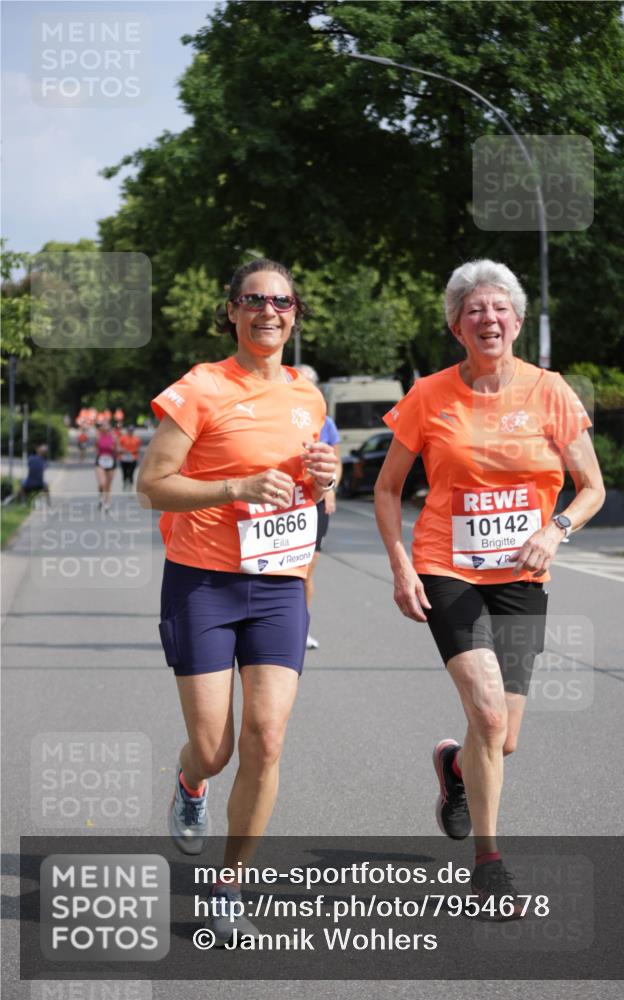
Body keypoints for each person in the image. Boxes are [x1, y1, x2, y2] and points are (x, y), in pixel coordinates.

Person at [374, 260, 605, 919]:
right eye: (474, 310)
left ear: (517, 320)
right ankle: (488, 862)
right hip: (448, 566)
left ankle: (453, 768)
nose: (488, 319)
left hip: (523, 576)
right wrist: (400, 564)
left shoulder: (550, 391)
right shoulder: (428, 395)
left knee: (500, 740)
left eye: (499, 308)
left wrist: (555, 529)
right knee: (488, 714)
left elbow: (591, 488)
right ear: (455, 326)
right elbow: (388, 489)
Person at [137, 258, 337, 945]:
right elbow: (152, 484)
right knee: (215, 748)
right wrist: (235, 489)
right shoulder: (200, 388)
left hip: (279, 584)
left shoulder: (308, 397)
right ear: (231, 310)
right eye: (253, 299)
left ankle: (229, 886)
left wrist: (325, 475)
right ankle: (191, 784)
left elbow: (309, 489)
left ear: (294, 314)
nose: (268, 311)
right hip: (202, 580)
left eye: (281, 301)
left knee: (267, 737)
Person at [295, 365, 343, 649]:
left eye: (310, 383)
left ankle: (301, 629)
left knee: (306, 570)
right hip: (285, 501)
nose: (306, 387)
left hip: (317, 499)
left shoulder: (325, 420)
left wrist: (331, 489)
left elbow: (335, 461)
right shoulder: (276, 412)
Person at [95, 420, 118, 512]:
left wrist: (114, 449)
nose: (105, 429)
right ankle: (101, 498)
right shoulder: (98, 436)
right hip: (100, 461)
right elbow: (96, 447)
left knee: (108, 485)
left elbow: (117, 450)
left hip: (111, 461)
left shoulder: (114, 437)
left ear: (109, 428)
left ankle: (107, 503)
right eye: (103, 427)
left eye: (106, 427)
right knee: (102, 484)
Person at [118, 424, 142, 490]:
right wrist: (122, 450)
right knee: (124, 472)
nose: (130, 431)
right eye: (129, 430)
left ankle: (130, 486)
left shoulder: (137, 439)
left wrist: (134, 451)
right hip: (124, 458)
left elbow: (138, 448)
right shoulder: (123, 438)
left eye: (132, 430)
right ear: (127, 431)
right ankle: (125, 482)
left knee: (131, 473)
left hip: (133, 458)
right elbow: (119, 447)